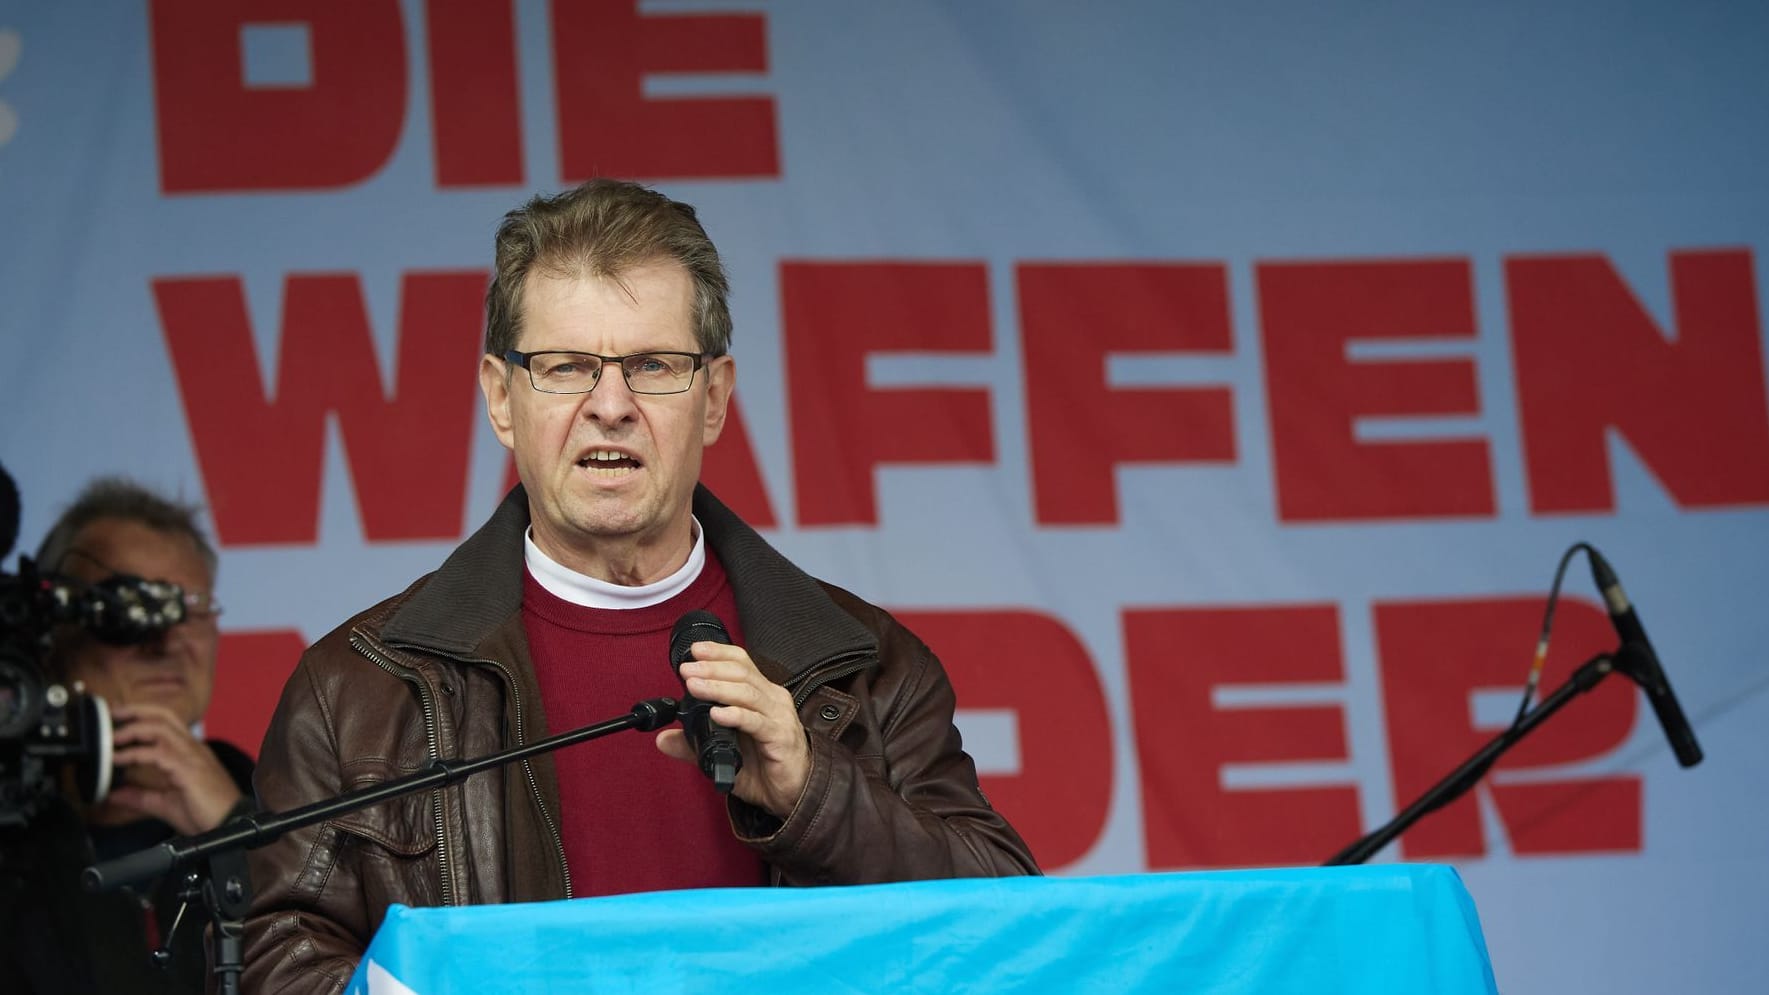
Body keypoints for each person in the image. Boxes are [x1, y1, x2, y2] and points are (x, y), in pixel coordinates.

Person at [241, 178, 1038, 992]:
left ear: (715, 397)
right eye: (566, 367)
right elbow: (272, 957)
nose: (610, 406)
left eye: (653, 365)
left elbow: (1014, 933)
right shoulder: (357, 688)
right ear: (501, 398)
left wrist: (813, 787)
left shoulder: (865, 664)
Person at [0, 478, 254, 995]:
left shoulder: (292, 809)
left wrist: (240, 832)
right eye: (127, 610)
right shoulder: (13, 824)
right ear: (53, 636)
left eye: (191, 606)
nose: (167, 638)